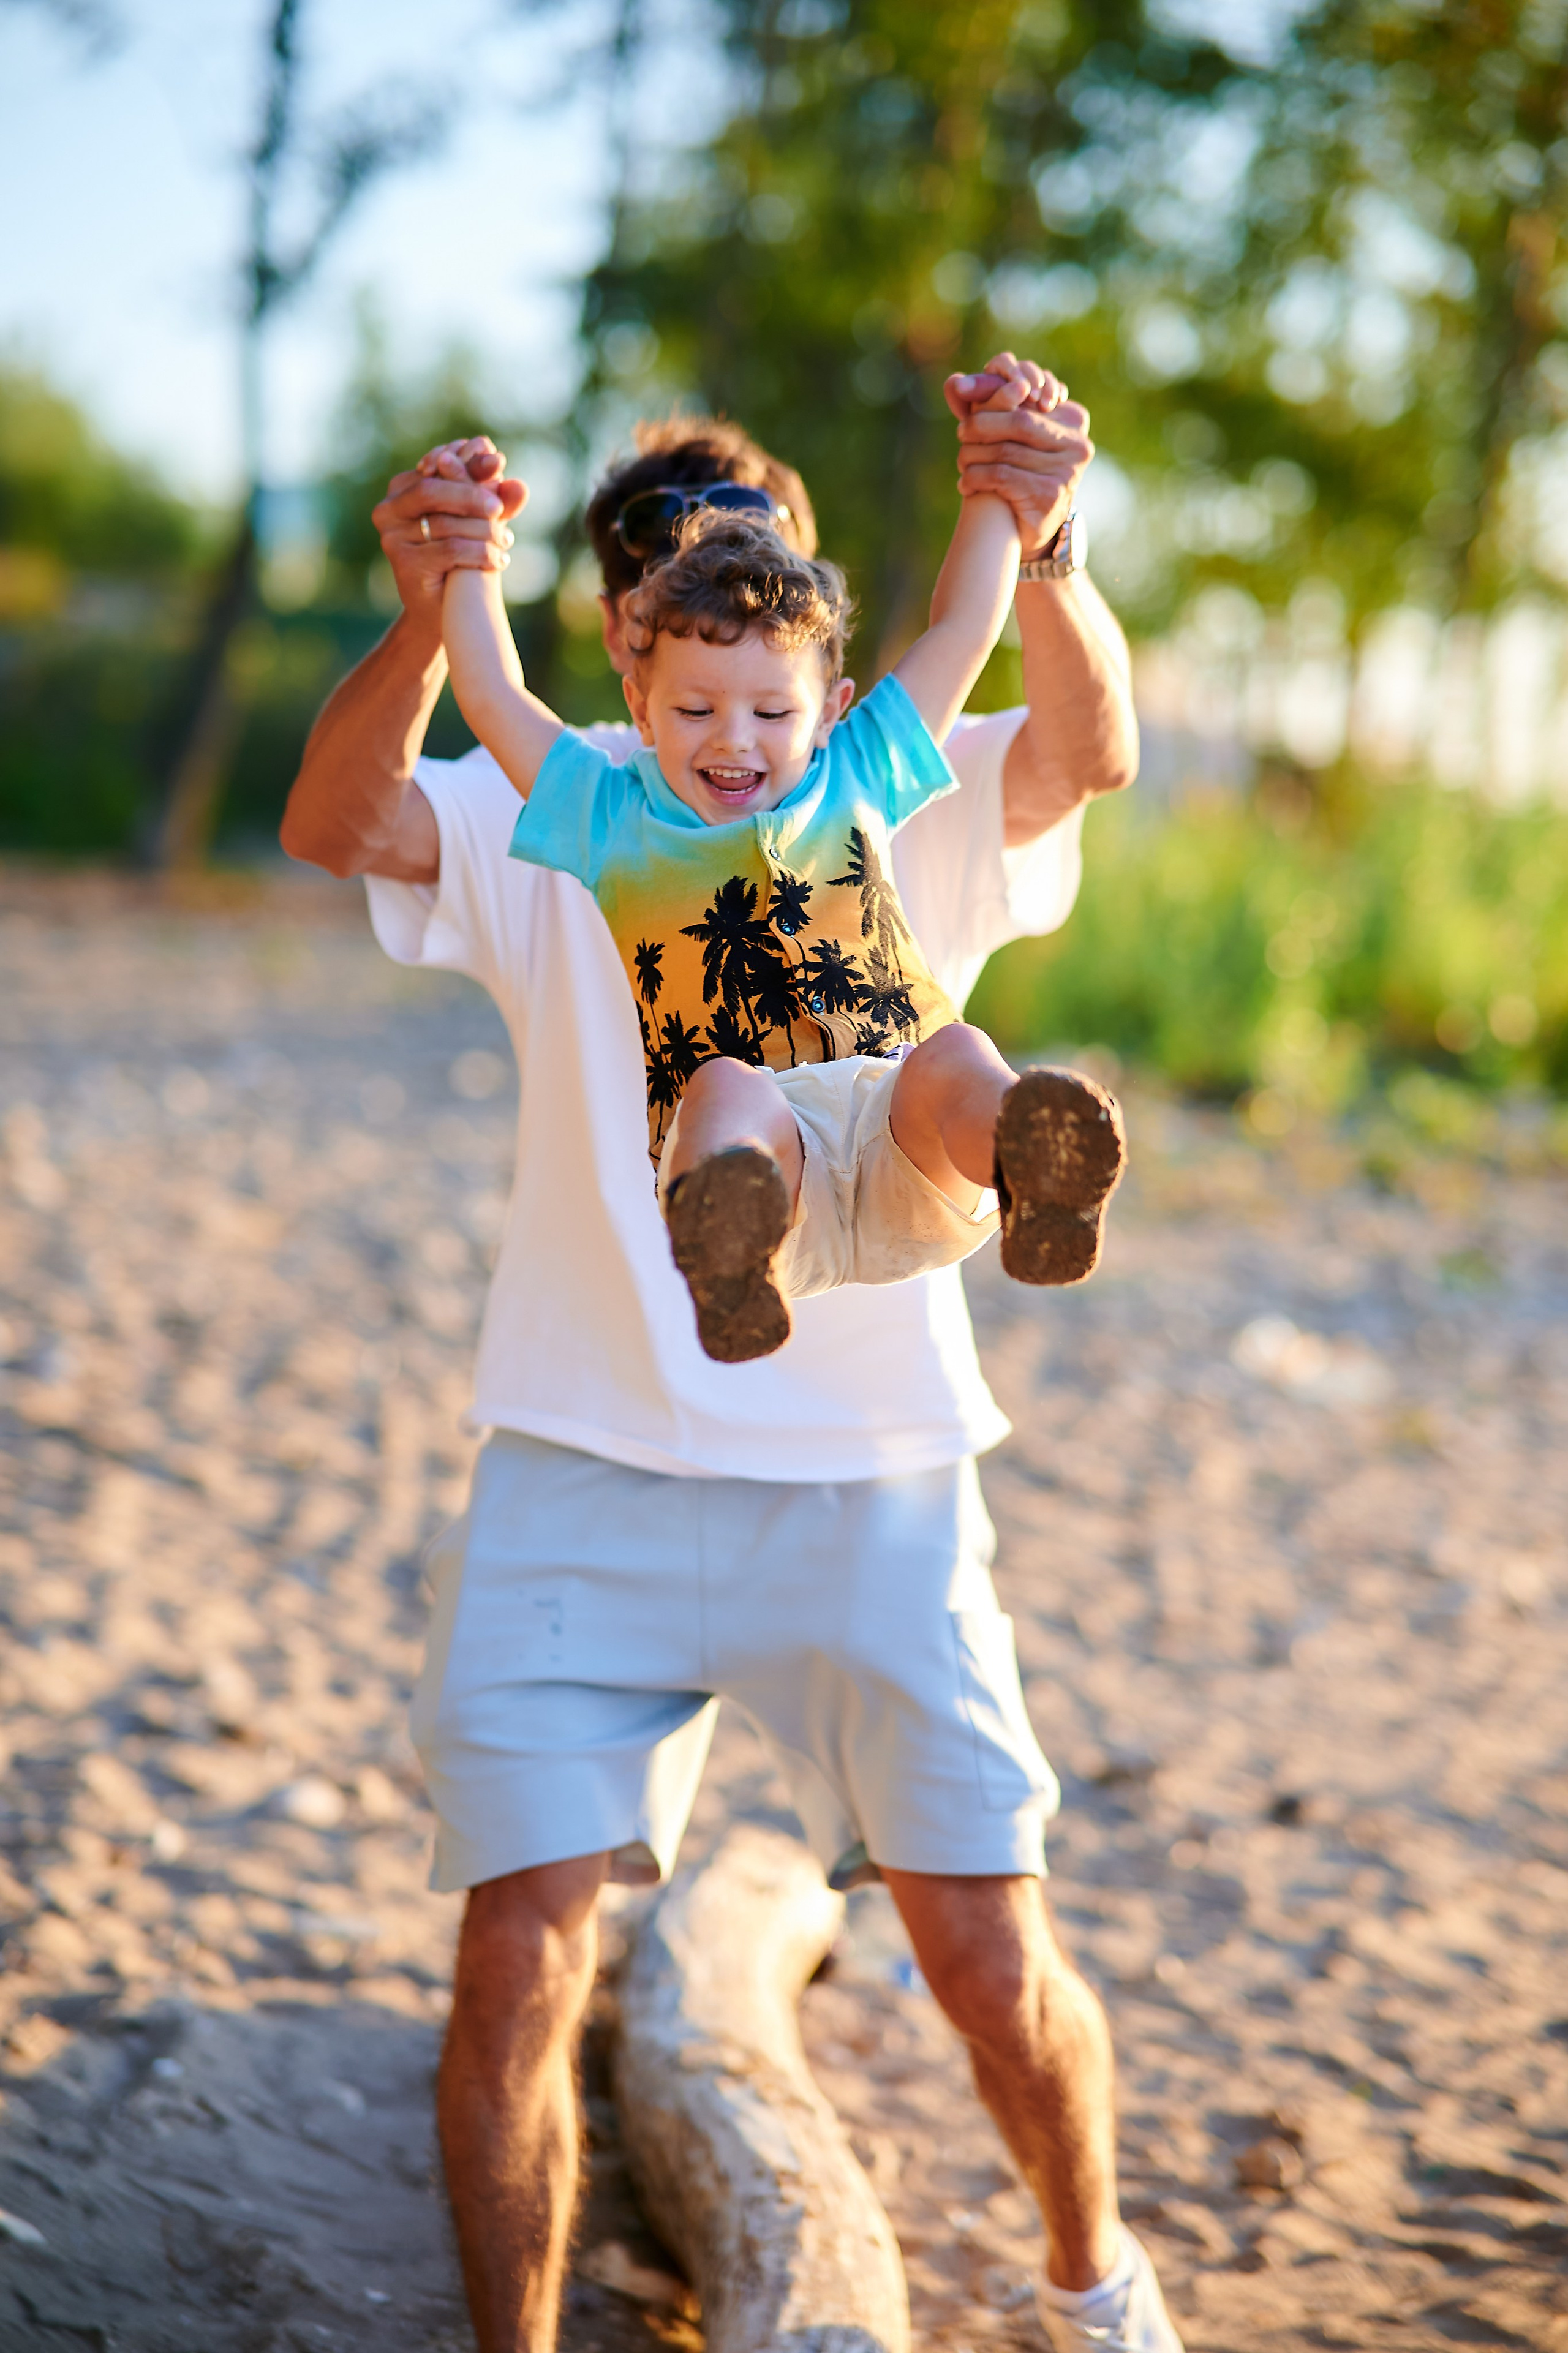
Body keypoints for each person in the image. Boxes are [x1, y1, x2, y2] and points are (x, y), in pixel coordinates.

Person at [281, 355, 1182, 2353]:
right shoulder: (585, 807)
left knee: (983, 1943)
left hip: (874, 1472)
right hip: (588, 1462)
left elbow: (1072, 724)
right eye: (671, 579)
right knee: (515, 1949)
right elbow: (346, 808)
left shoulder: (867, 766)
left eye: (757, 581)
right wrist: (439, 587)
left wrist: (1033, 516)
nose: (732, 712)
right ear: (627, 627)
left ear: (807, 628)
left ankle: (1098, 2280)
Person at [438, 426, 1125, 1363]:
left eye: (772, 713)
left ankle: (1035, 1178)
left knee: (959, 1051)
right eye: (693, 710)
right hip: (773, 1187)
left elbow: (963, 628)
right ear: (638, 704)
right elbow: (490, 693)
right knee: (724, 1088)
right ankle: (731, 1268)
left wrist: (994, 493)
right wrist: (471, 554)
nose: (734, 742)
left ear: (834, 706)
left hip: (904, 1138)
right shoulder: (607, 815)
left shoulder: (859, 773)